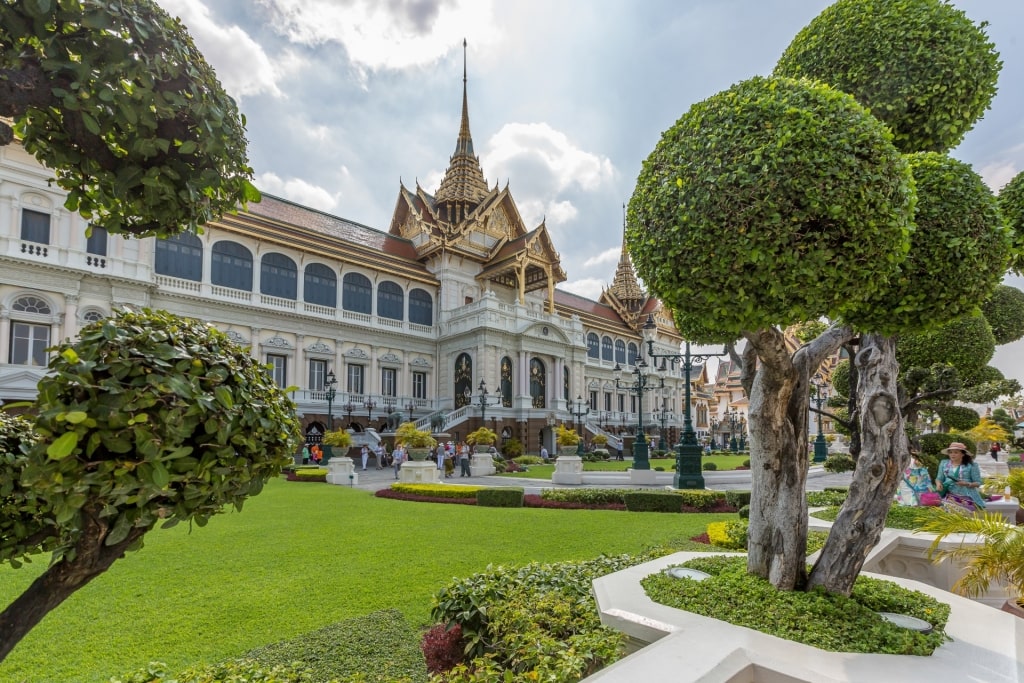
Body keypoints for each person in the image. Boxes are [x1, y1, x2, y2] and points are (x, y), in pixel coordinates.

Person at [935, 442, 986, 510]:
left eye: (956, 452)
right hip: (949, 495)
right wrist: (938, 484)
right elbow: (939, 478)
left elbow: (978, 482)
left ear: (962, 454)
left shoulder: (972, 465)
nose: (952, 455)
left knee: (964, 519)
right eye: (950, 452)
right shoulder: (944, 463)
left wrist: (967, 484)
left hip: (966, 496)